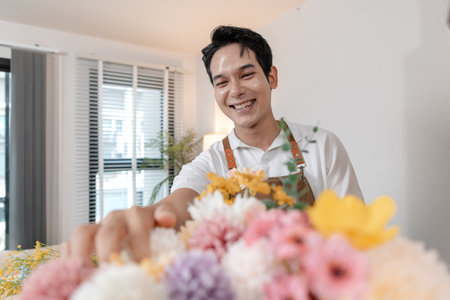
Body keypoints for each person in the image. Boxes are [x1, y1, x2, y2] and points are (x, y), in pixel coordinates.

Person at [68, 25, 363, 264]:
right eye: (221, 82)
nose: (236, 90)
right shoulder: (211, 163)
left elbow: (355, 235)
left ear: (271, 77)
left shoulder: (322, 145)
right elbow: (179, 203)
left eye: (247, 74)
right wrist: (153, 216)